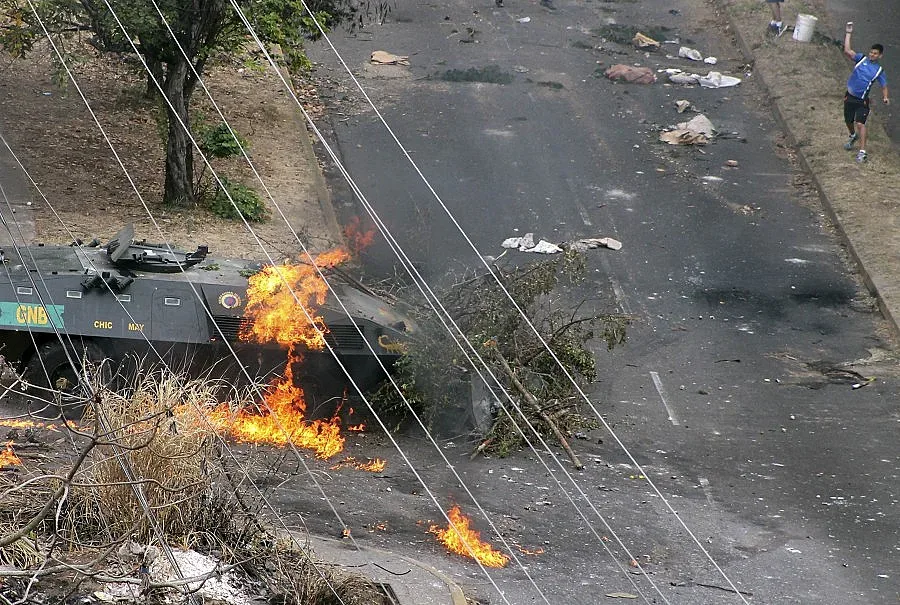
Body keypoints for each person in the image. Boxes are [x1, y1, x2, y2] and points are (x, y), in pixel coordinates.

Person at [842, 21, 890, 163]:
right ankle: (852, 136)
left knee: (860, 124)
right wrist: (848, 33)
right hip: (849, 96)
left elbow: (884, 85)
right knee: (848, 121)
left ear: (880, 56)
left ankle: (862, 152)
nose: (872, 55)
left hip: (862, 101)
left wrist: (885, 97)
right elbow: (847, 51)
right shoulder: (861, 59)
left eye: (875, 54)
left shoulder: (879, 71)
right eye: (871, 52)